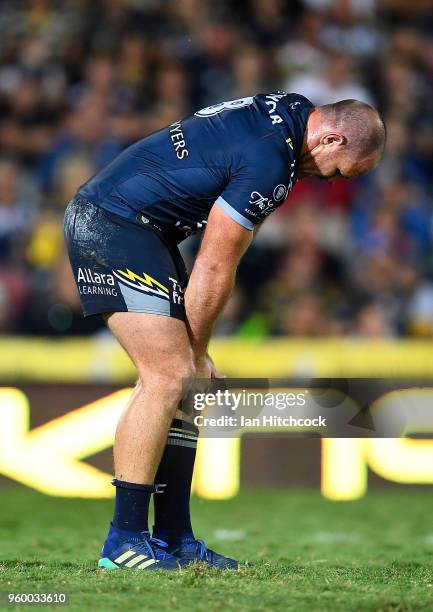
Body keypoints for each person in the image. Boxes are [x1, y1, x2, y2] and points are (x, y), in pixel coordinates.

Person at [64, 92, 385, 571]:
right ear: (332, 138)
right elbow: (216, 261)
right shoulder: (271, 161)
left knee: (190, 384)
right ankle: (123, 541)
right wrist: (198, 349)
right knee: (171, 375)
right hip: (112, 223)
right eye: (339, 170)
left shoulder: (291, 112)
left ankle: (173, 537)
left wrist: (197, 356)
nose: (328, 180)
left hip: (144, 228)